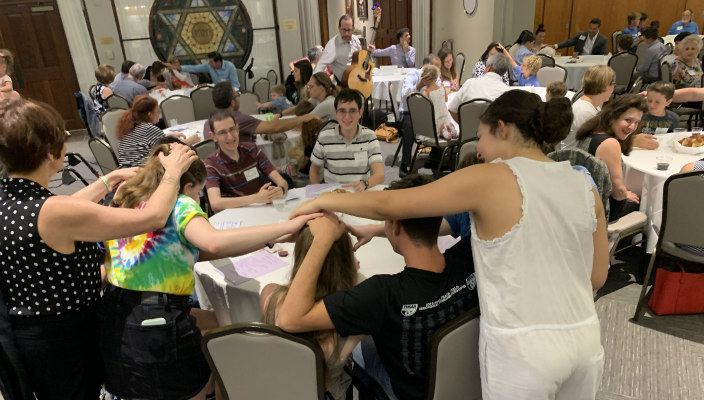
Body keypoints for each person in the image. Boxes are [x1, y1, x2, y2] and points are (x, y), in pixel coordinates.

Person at [290, 90, 609, 400]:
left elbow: (392, 203)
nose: (479, 149)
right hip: (585, 339)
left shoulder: (490, 177)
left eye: (481, 136)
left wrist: (323, 199)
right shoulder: (583, 182)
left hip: (526, 351)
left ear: (503, 128)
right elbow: (596, 278)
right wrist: (375, 231)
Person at [0, 99, 199, 400]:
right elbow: (151, 218)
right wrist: (173, 172)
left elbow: (65, 208)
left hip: (28, 330)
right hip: (64, 337)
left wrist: (111, 179)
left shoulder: (12, 197)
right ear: (51, 153)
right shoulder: (52, 212)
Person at [99, 144, 318, 400]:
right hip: (155, 323)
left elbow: (195, 251)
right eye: (200, 192)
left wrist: (271, 238)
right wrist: (285, 226)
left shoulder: (129, 199)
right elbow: (213, 242)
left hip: (116, 313)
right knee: (198, 381)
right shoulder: (179, 205)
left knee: (218, 324)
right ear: (189, 187)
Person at [278, 174, 479, 400]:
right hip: (465, 383)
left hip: (409, 393)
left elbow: (290, 318)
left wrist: (322, 240)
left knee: (358, 345)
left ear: (395, 226)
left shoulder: (383, 295)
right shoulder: (469, 257)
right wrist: (375, 229)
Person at [260, 223, 362, 400]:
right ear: (346, 263)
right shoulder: (355, 316)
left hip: (278, 391)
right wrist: (351, 272)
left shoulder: (270, 294)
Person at [576, 94, 647, 221]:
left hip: (581, 203)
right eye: (628, 120)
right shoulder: (610, 143)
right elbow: (618, 192)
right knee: (643, 203)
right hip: (600, 212)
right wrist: (626, 194)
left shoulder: (589, 132)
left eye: (636, 122)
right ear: (612, 118)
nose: (632, 127)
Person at [204, 111, 290, 211]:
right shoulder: (211, 164)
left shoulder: (252, 150)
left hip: (261, 209)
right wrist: (256, 198)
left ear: (237, 129)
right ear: (213, 136)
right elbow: (215, 203)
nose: (230, 136)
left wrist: (280, 189)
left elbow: (282, 182)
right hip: (236, 214)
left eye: (232, 129)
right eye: (222, 132)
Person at [310, 89, 384, 190]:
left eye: (352, 110)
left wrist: (366, 183)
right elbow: (314, 170)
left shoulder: (369, 136)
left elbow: (379, 174)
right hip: (334, 194)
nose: (347, 116)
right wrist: (316, 193)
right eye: (342, 111)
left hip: (360, 193)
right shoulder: (324, 137)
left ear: (360, 112)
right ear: (336, 112)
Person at [202, 82, 319, 142]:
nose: (239, 98)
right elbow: (274, 127)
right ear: (232, 102)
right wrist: (302, 118)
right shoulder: (236, 119)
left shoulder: (209, 121)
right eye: (237, 95)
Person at [116, 94, 195, 167]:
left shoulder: (131, 126)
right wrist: (190, 141)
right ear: (149, 114)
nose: (159, 114)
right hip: (143, 172)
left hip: (128, 169)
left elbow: (146, 141)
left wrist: (167, 135)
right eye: (157, 111)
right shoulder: (148, 128)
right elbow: (168, 150)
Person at [397, 54, 443, 176]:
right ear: (426, 66)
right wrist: (420, 85)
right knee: (410, 126)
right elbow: (404, 95)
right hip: (409, 112)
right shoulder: (412, 75)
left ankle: (434, 158)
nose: (438, 72)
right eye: (435, 68)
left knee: (442, 123)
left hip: (428, 112)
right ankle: (405, 163)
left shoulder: (437, 78)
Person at [447, 53, 511, 122]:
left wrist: (464, 126)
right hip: (493, 131)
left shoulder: (470, 83)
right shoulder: (507, 92)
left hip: (467, 131)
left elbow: (452, 109)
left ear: (489, 67)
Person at [564, 65, 616, 149]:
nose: (614, 88)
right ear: (607, 86)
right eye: (613, 84)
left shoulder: (592, 105)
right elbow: (599, 143)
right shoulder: (586, 111)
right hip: (574, 158)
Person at [314, 14, 362, 81]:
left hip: (357, 80)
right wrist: (313, 84)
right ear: (339, 28)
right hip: (342, 85)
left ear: (353, 28)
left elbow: (360, 60)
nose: (346, 33)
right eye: (344, 30)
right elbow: (320, 65)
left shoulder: (356, 40)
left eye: (349, 30)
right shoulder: (332, 45)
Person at [421, 64, 458, 140]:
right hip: (444, 117)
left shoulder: (426, 92)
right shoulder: (442, 88)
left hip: (434, 119)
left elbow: (425, 108)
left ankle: (442, 130)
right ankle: (448, 128)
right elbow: (446, 100)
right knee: (445, 120)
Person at [167, 51, 240, 89]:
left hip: (230, 92)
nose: (209, 63)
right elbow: (194, 68)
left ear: (218, 62)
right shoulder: (209, 65)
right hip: (217, 92)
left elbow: (236, 86)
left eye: (211, 62)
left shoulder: (230, 67)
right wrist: (175, 68)